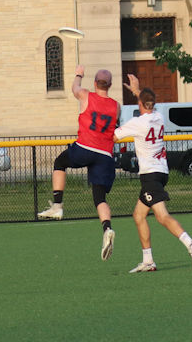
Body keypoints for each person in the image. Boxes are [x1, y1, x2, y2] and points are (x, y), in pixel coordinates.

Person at [113, 75, 192, 273]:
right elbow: (147, 102)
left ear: (139, 104)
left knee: (162, 216)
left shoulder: (138, 123)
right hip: (161, 172)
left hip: (151, 174)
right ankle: (148, 261)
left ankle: (190, 243)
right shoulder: (159, 117)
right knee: (138, 215)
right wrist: (138, 91)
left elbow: (112, 136)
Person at [36, 65, 120, 260]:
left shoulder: (86, 95)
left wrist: (78, 74)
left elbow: (74, 88)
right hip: (105, 154)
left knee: (59, 162)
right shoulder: (116, 106)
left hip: (86, 147)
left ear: (94, 83)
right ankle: (107, 229)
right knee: (100, 198)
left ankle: (57, 206)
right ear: (110, 85)